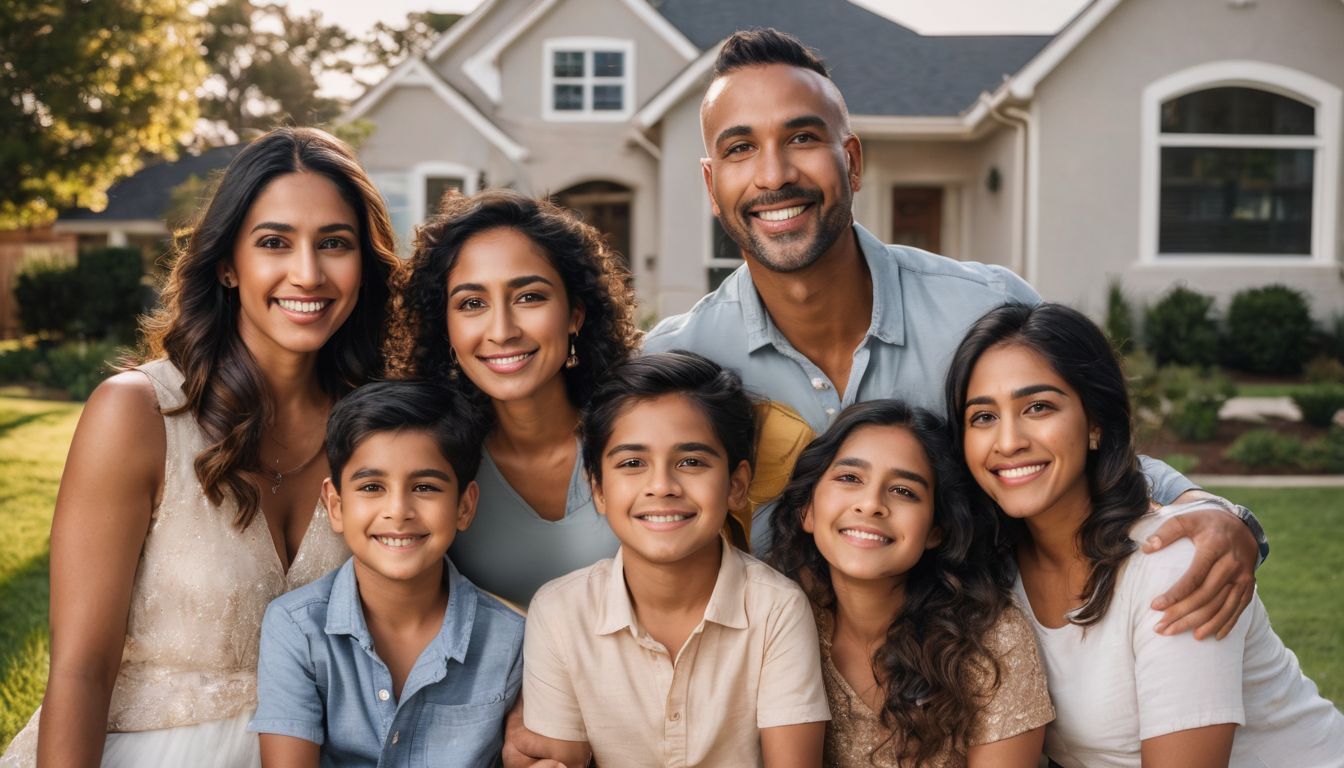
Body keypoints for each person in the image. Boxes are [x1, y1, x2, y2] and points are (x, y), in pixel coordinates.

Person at [642, 27, 1263, 640]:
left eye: (802, 137)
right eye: (739, 148)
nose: (773, 175)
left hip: (991, 689)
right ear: (711, 184)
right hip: (779, 711)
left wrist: (1210, 510)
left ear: (851, 161)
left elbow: (1086, 452)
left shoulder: (984, 310)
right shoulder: (679, 364)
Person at [0, 127, 400, 768]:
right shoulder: (138, 413)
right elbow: (81, 669)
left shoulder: (386, 429)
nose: (308, 272)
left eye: (335, 243)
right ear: (227, 265)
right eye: (274, 242)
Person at [946, 303, 1344, 767]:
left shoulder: (1169, 563)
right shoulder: (991, 574)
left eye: (1038, 407)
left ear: (1095, 424)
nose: (1009, 441)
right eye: (983, 417)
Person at [521, 351, 831, 767]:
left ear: (736, 485)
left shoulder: (775, 608)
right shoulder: (559, 612)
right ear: (597, 488)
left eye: (691, 462)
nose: (662, 485)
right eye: (633, 463)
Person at [249, 380, 524, 767]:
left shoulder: (511, 640)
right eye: (372, 486)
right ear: (335, 505)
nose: (398, 510)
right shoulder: (296, 627)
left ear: (464, 506)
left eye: (425, 487)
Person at [770, 400, 1054, 767]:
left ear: (935, 529)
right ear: (807, 509)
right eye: (849, 478)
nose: (871, 504)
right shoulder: (777, 622)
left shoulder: (989, 638)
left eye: (904, 491)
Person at [398, 189, 640, 606]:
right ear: (447, 330)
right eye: (472, 303)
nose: (502, 330)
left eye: (529, 297)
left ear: (575, 314)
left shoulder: (640, 436)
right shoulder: (433, 457)